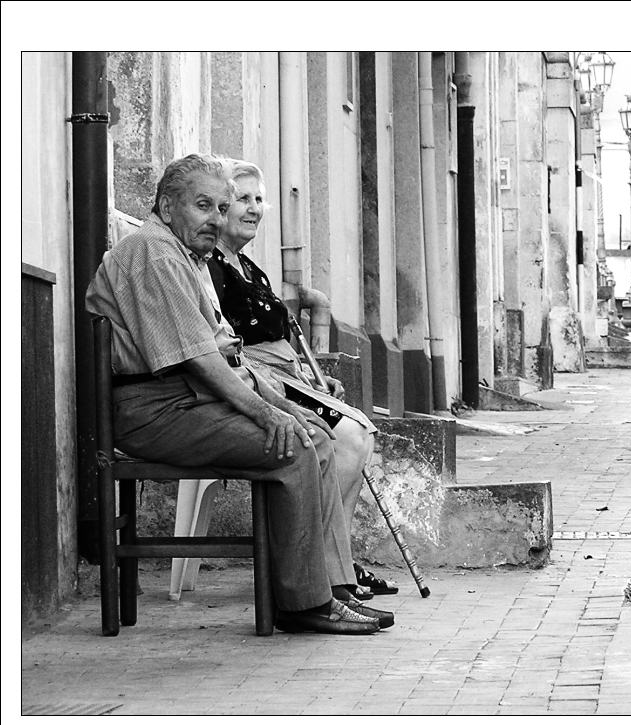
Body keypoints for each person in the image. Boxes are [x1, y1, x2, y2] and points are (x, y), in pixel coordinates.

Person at [85, 153, 393, 634]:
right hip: (153, 409)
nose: (215, 218)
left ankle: (330, 590)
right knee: (295, 445)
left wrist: (284, 405)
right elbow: (202, 361)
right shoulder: (156, 254)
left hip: (183, 400)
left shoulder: (186, 257)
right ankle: (302, 604)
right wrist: (270, 415)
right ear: (167, 207)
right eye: (203, 205)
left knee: (315, 434)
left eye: (221, 208)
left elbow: (230, 358)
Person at [207, 158, 399, 598]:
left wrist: (312, 381)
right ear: (220, 206)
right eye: (242, 198)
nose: (254, 208)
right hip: (256, 382)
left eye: (259, 199)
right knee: (347, 437)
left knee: (359, 434)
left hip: (285, 375)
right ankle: (327, 567)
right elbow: (227, 346)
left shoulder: (250, 269)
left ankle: (336, 560)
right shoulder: (211, 268)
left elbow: (280, 339)